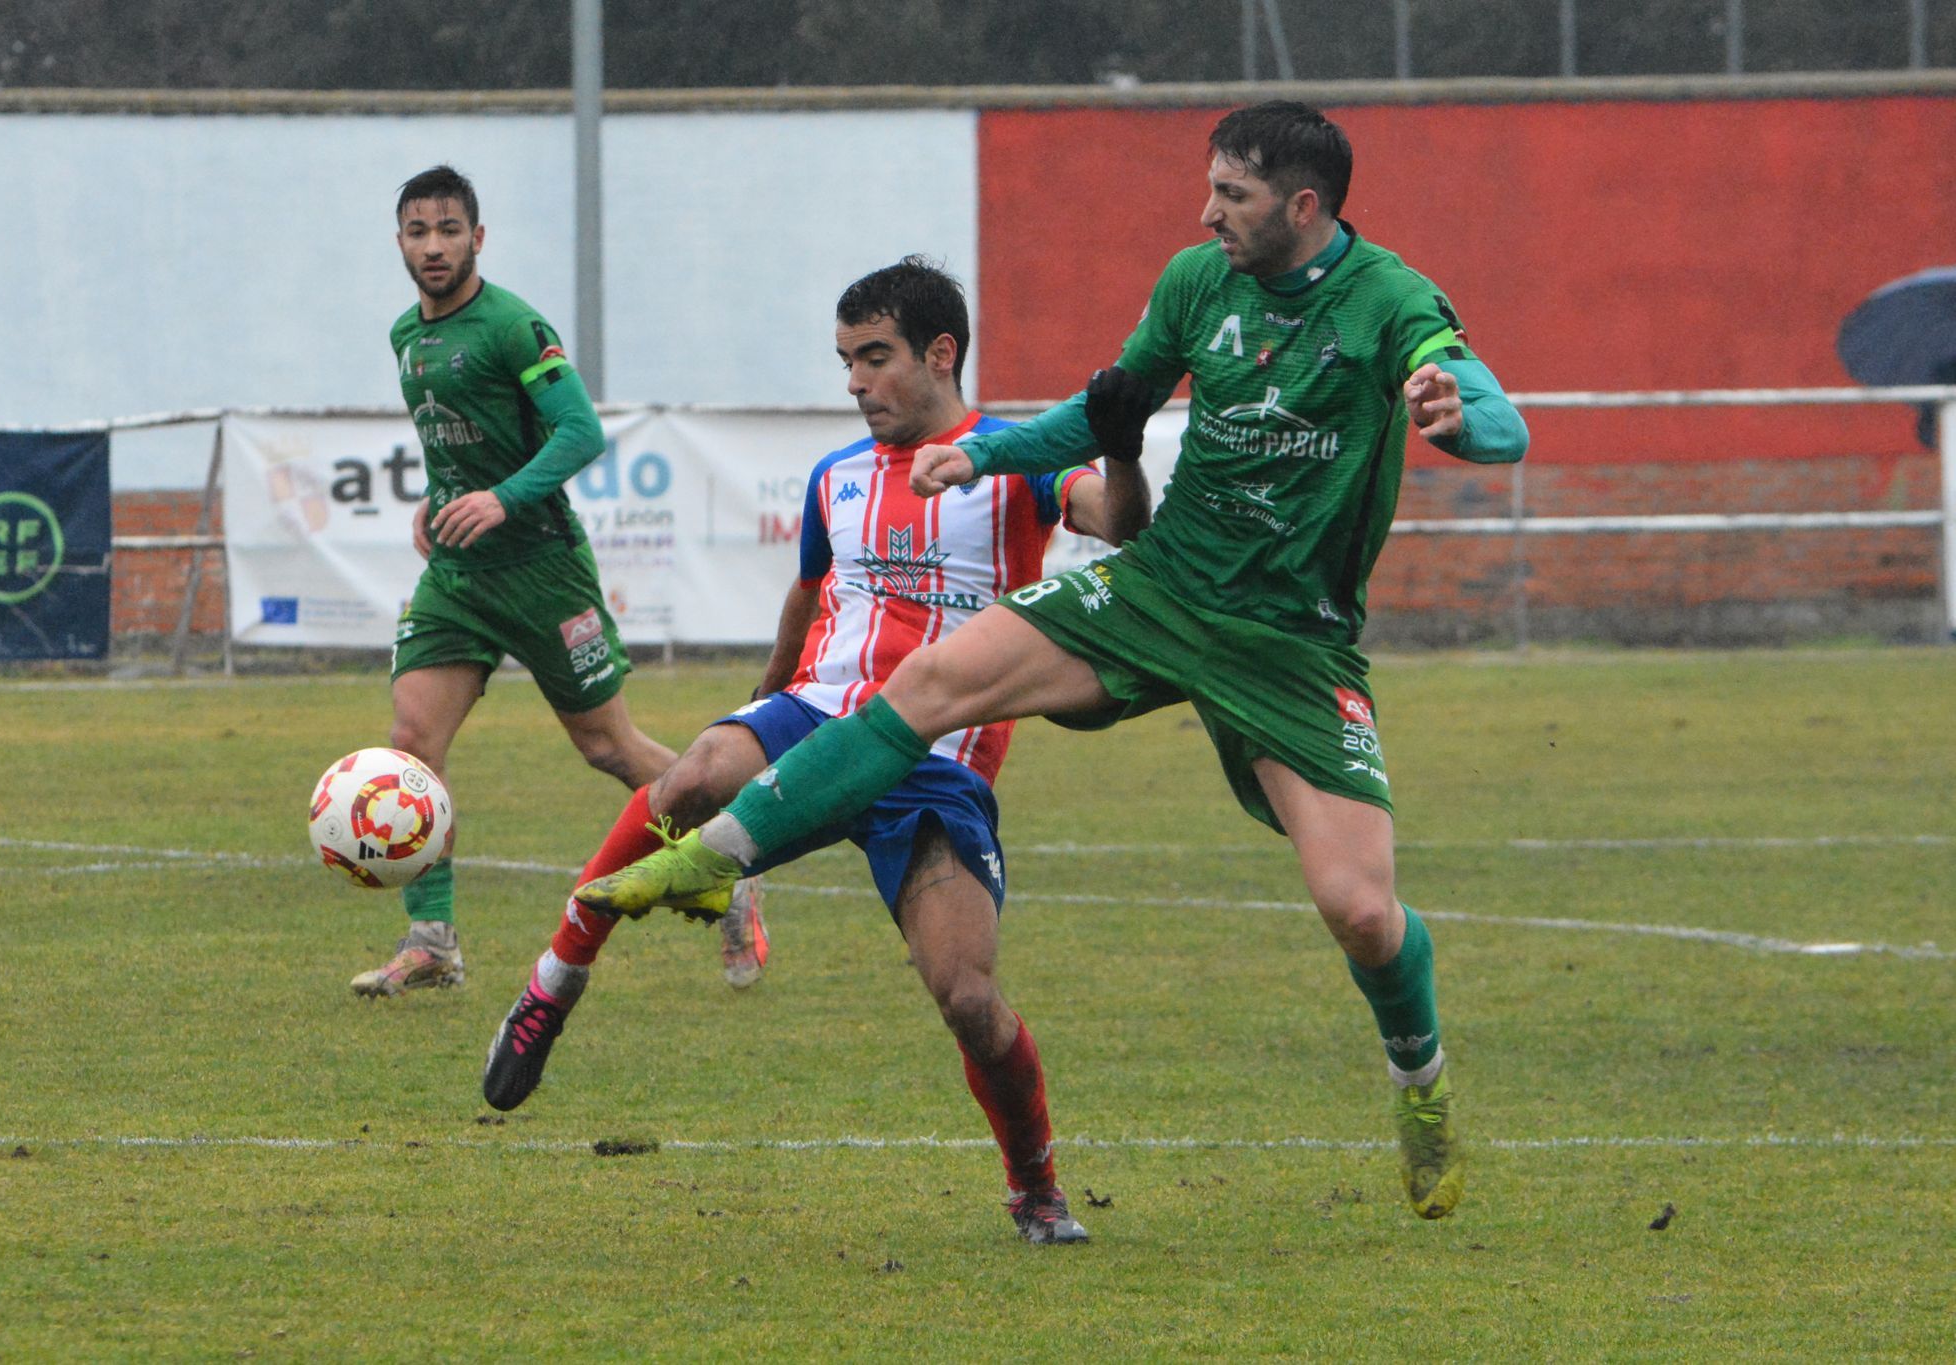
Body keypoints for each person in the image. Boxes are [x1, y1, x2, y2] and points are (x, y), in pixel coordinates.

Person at [571, 103, 1530, 1222]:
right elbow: (1105, 410)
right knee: (928, 683)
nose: (1205, 211)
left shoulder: (1390, 300)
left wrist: (1455, 413)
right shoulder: (1194, 282)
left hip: (1290, 640)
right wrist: (981, 452)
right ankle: (716, 855)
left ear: (1303, 207)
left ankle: (1419, 1092)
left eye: (1231, 195)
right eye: (1208, 188)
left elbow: (1495, 419)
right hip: (1160, 586)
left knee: (1360, 911)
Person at [481, 256, 1150, 1245]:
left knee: (968, 998)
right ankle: (552, 984)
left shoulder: (1018, 457)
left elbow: (1122, 522)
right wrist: (759, 704)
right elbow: (808, 592)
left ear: (939, 352)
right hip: (816, 716)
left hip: (934, 763)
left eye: (873, 358)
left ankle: (1035, 1184)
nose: (853, 382)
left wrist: (1124, 448)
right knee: (694, 776)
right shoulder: (835, 477)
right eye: (843, 361)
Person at [356, 164, 764, 996]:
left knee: (607, 746)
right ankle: (432, 941)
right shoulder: (405, 334)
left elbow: (580, 433)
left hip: (542, 570)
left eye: (448, 229)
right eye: (417, 231)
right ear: (398, 240)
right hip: (458, 578)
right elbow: (456, 451)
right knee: (410, 748)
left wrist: (503, 500)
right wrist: (438, 508)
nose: (433, 246)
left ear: (478, 236)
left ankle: (738, 857)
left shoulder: (513, 325)